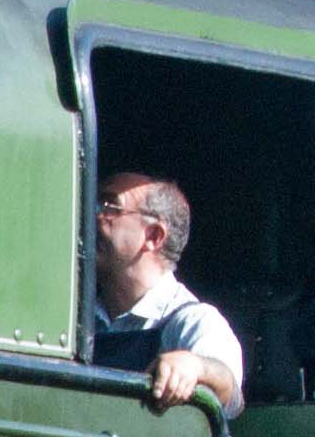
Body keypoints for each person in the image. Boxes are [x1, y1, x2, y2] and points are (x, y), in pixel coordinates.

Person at [90, 171, 247, 413]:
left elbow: (228, 389)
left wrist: (196, 367)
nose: (94, 215)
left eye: (109, 206)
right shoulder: (77, 319)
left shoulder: (194, 321)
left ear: (153, 236)